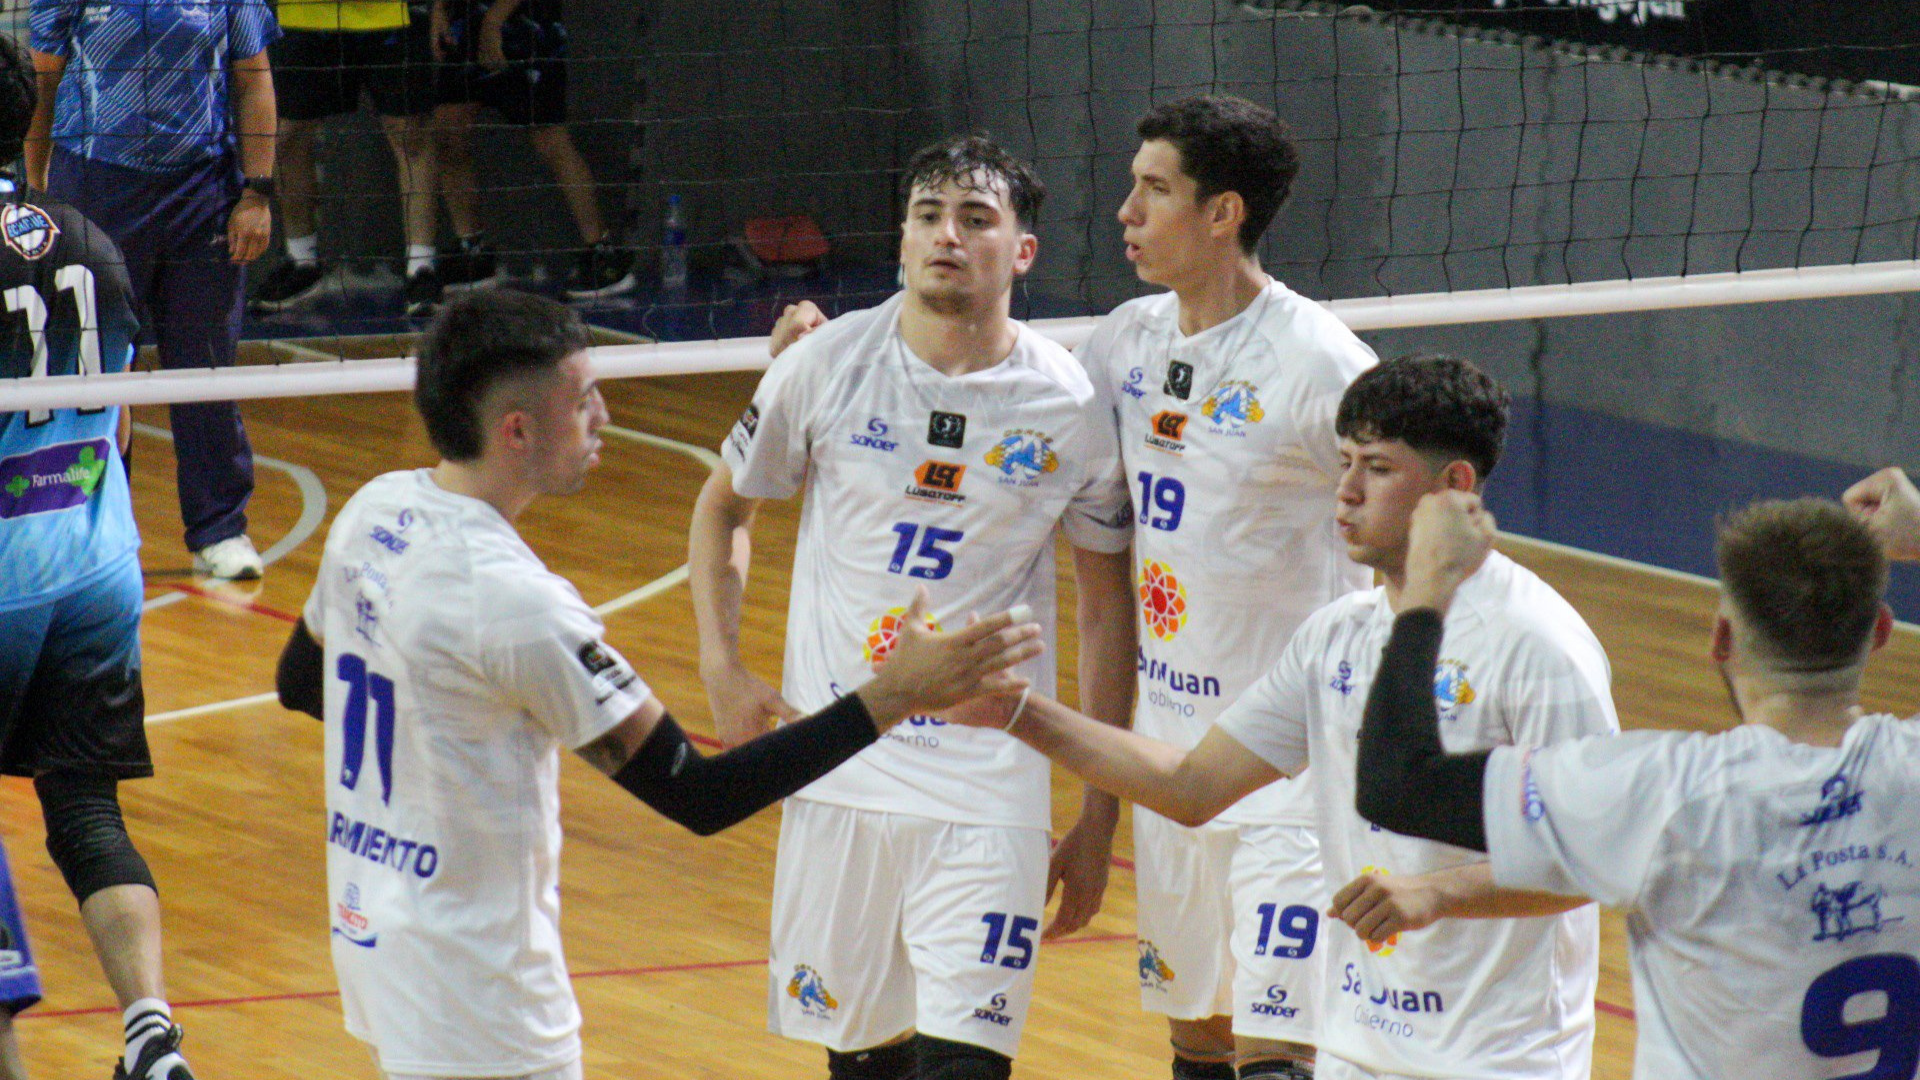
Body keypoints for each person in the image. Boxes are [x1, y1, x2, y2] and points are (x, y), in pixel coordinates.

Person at [271, 288, 1043, 1080]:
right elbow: (699, 796)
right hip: (480, 996)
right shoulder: (516, 603)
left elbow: (299, 681)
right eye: (583, 400)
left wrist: (443, 741)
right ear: (517, 432)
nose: (603, 416)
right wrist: (894, 695)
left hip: (377, 944)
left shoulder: (374, 512)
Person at [950, 355, 1617, 1080]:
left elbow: (1593, 855)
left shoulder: (1539, 646)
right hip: (1356, 1048)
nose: (1347, 491)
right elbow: (1192, 785)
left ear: (1454, 486)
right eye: (1345, 462)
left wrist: (1435, 893)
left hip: (1498, 1060)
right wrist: (1017, 712)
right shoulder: (1337, 635)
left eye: (1378, 469)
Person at [689, 134, 1137, 1080]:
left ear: (1023, 251)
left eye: (975, 219)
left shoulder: (1070, 404)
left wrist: (1099, 817)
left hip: (990, 785)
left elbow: (1108, 614)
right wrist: (721, 667)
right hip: (840, 763)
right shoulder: (823, 364)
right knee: (862, 1064)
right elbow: (724, 508)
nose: (947, 236)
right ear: (901, 238)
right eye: (928, 216)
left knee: (968, 1066)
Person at [1351, 482, 1920, 1080]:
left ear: (1721, 639)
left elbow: (1397, 785)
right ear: (1880, 631)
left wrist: (1427, 591)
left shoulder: (1661, 792)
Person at [1075, 95, 1376, 1080]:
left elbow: (1418, 531)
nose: (1126, 211)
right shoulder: (1121, 345)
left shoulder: (1319, 363)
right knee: (1198, 1039)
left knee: (1276, 1049)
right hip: (1172, 760)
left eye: (1154, 190)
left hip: (1295, 770)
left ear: (1222, 214)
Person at [0, 31, 200, 1080]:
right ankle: (150, 1031)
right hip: (96, 565)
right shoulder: (91, 239)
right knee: (84, 806)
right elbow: (117, 422)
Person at [26, 0, 279, 579]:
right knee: (94, 370)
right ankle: (93, 527)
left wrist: (257, 193)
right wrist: (37, 189)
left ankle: (221, 528)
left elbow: (254, 78)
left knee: (206, 364)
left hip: (202, 192)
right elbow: (44, 84)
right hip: (95, 186)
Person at [427, 0, 634, 299]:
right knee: (448, 131)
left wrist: (494, 20)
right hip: (468, 23)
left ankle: (603, 254)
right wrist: (439, 9)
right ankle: (472, 251)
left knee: (549, 137)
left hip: (526, 25)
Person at [250, 0, 442, 317]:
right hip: (304, 15)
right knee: (286, 136)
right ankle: (302, 261)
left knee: (411, 135)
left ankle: (421, 268)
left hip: (391, 15)